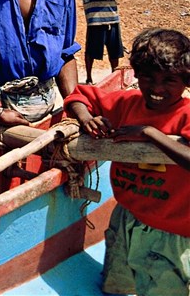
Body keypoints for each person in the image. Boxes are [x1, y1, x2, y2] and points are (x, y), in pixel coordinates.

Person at [65, 28, 190, 296]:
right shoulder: (127, 103)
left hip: (172, 230)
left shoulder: (186, 116)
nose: (157, 88)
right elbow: (79, 96)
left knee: (164, 287)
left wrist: (149, 134)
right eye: (147, 78)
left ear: (186, 80)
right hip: (127, 216)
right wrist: (86, 118)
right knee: (116, 283)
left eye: (169, 80)